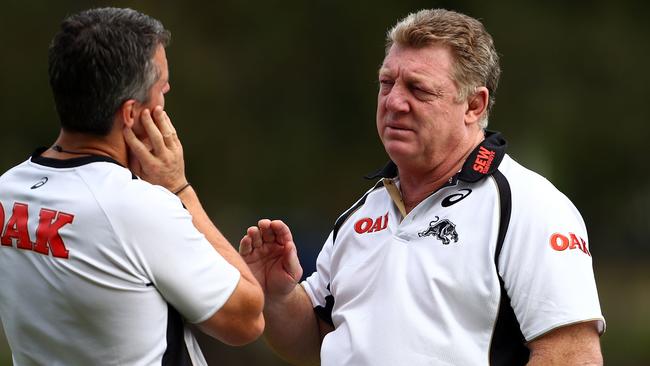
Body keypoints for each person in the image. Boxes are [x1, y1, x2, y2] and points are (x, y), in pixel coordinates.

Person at [239, 8, 605, 366]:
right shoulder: (363, 212)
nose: (394, 102)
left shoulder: (530, 206)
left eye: (418, 89)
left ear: (474, 105)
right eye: (387, 83)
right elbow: (317, 341)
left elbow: (573, 356)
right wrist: (279, 294)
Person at [0, 7, 263, 365]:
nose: (165, 101)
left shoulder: (7, 189)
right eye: (163, 89)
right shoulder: (137, 207)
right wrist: (179, 188)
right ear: (131, 114)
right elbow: (247, 318)